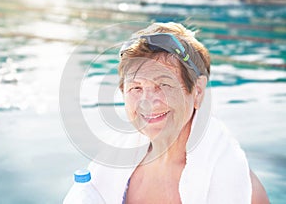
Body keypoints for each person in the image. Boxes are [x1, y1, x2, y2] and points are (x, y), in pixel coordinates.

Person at [88, 22, 269, 203]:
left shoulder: (238, 186)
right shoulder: (107, 169)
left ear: (197, 91)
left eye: (164, 85)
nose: (147, 102)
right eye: (136, 87)